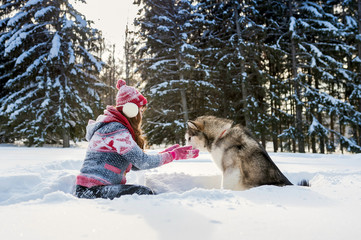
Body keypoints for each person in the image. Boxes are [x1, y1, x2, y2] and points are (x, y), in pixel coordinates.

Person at [74, 79, 199, 199]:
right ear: (131, 110)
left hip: (95, 189)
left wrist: (165, 154)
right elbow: (142, 162)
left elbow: (135, 164)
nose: (141, 114)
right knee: (143, 193)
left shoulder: (115, 128)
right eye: (140, 109)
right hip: (92, 191)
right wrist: (173, 155)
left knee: (143, 192)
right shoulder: (115, 130)